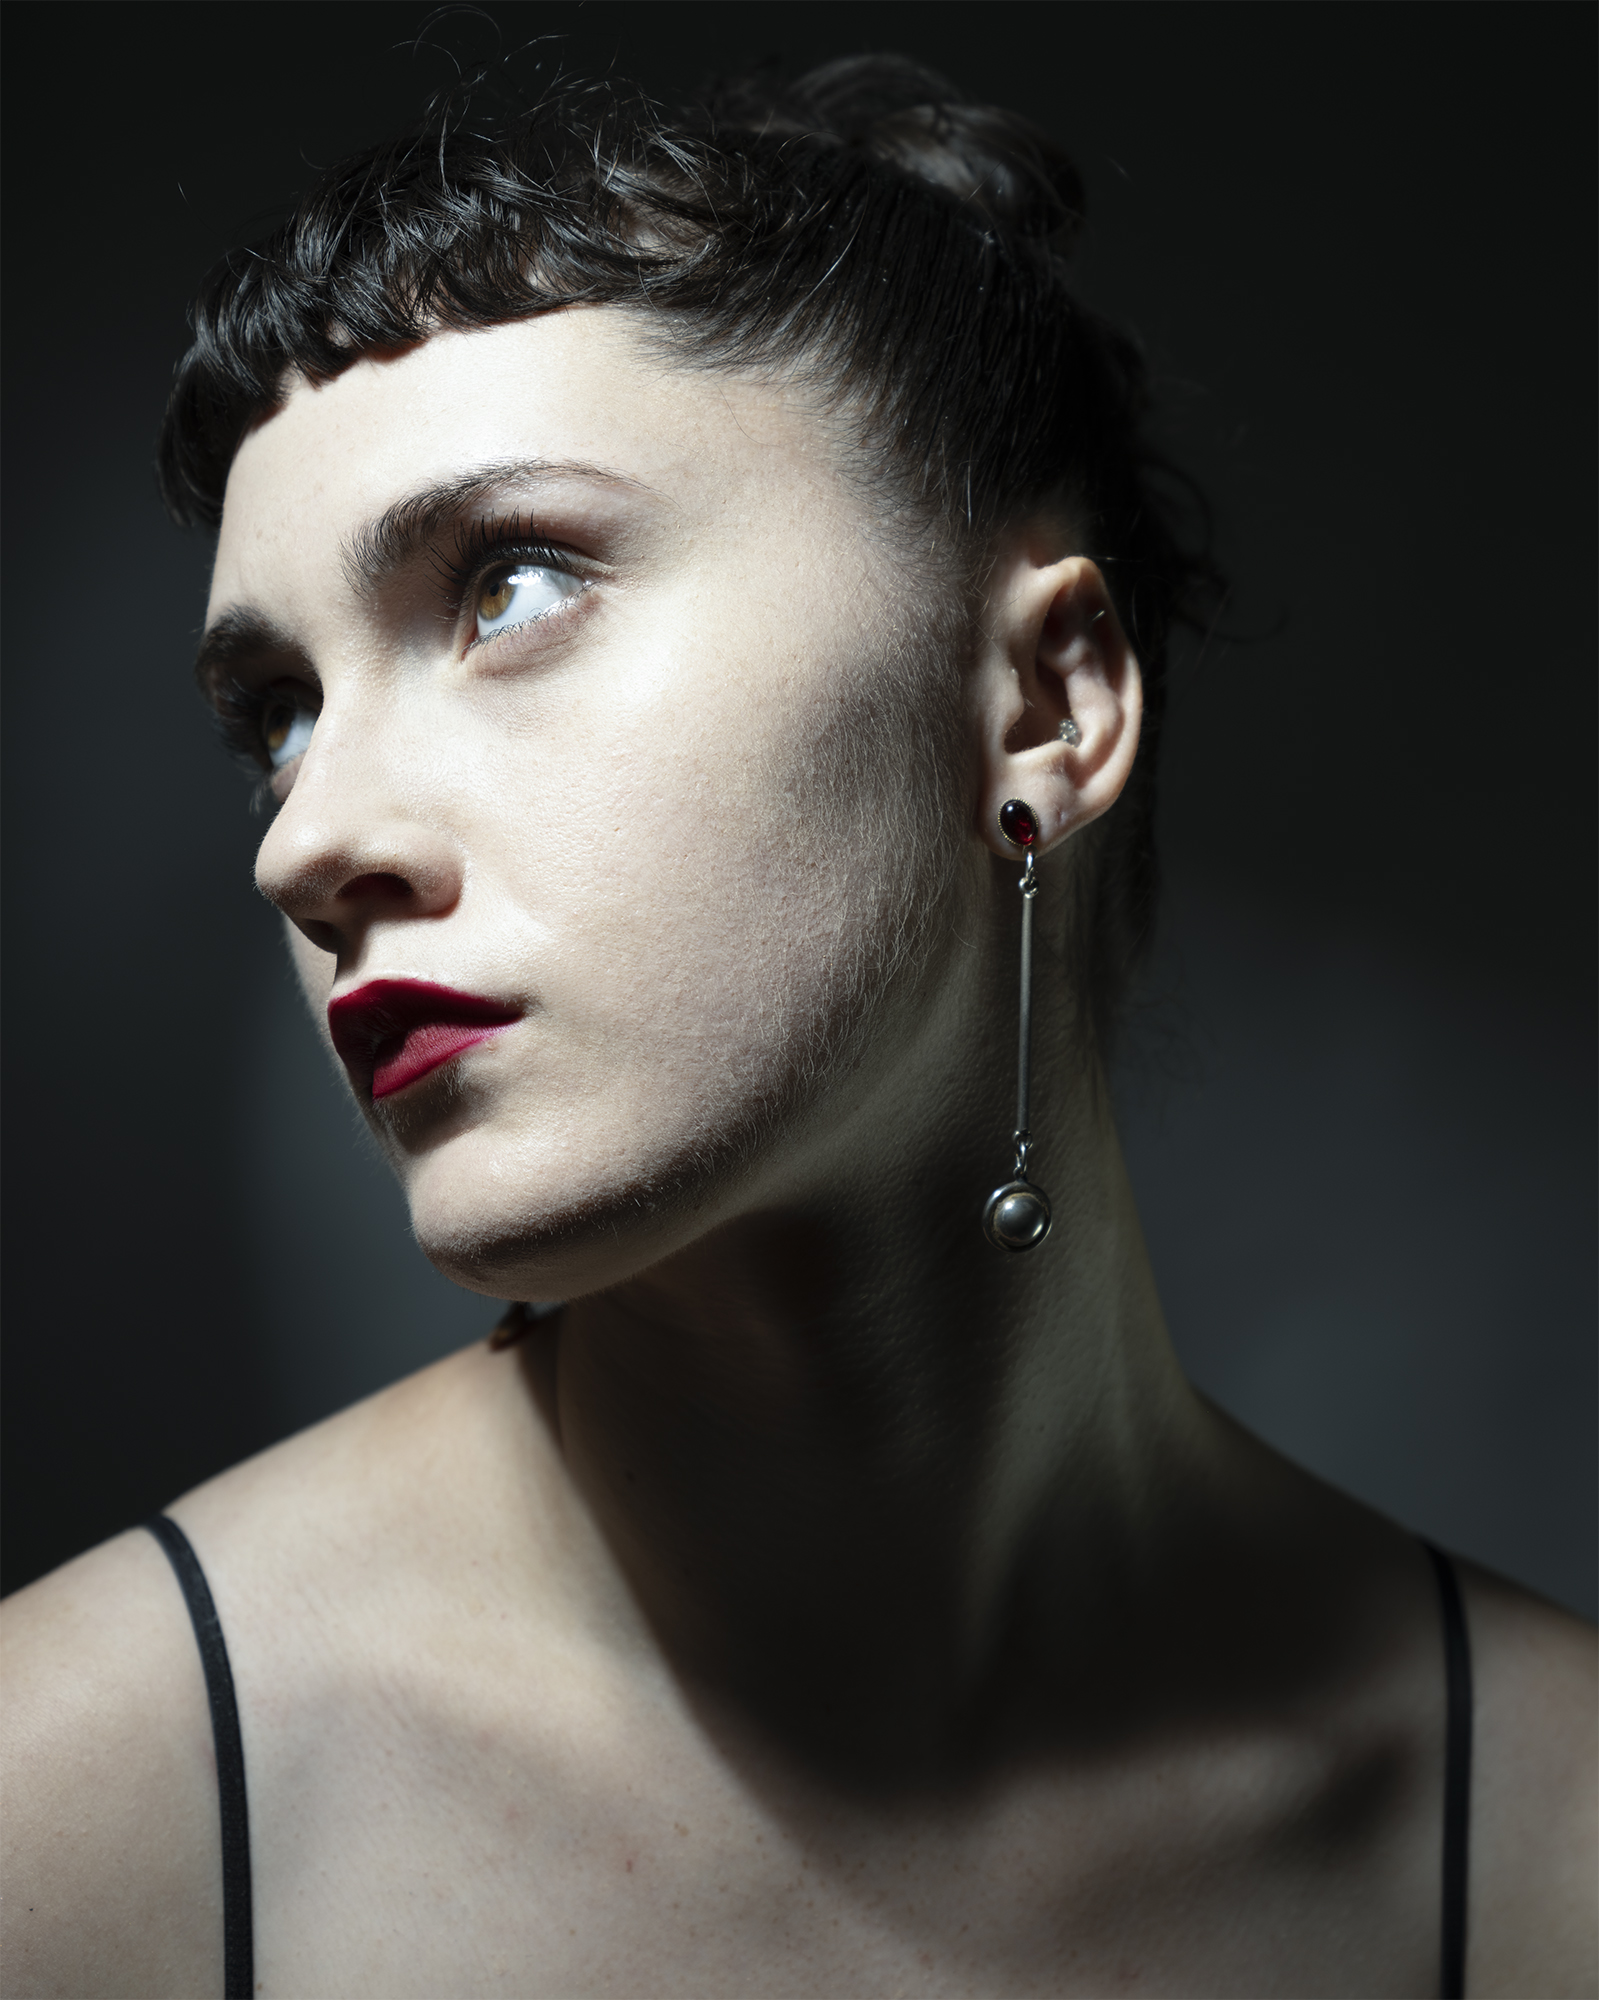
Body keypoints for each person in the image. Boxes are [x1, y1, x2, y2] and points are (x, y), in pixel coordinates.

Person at [2, 54, 1592, 2000]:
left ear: (1046, 701)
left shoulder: (1554, 1843)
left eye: (510, 585)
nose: (305, 843)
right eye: (280, 715)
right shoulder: (64, 1819)